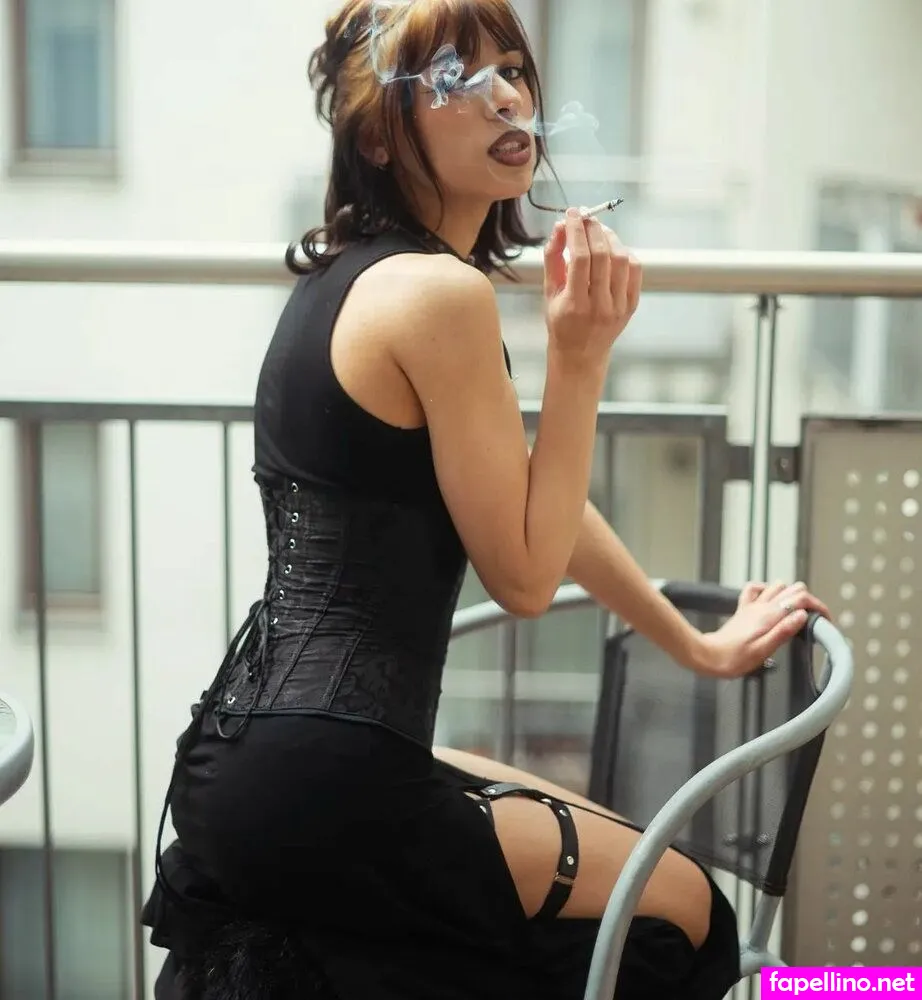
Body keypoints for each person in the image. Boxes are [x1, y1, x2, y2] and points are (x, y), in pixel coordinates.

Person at [141, 1, 831, 997]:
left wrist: (698, 645)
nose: (506, 95)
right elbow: (523, 578)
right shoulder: (441, 296)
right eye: (459, 78)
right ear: (380, 135)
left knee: (629, 867)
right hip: (332, 781)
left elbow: (536, 503)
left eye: (512, 66)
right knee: (687, 915)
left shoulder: (351, 280)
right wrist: (581, 359)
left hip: (249, 760)